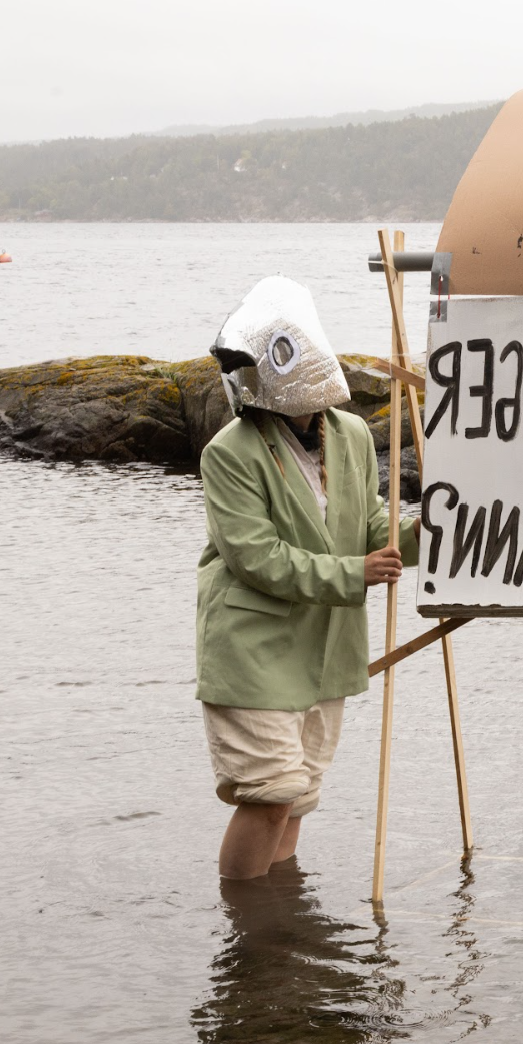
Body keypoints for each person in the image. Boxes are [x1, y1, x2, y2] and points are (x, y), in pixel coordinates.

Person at [196, 276, 419, 880]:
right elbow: (255, 557)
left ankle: (278, 915)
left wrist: (430, 532)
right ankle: (242, 922)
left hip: (323, 646)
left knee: (297, 798)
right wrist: (356, 573)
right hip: (254, 648)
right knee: (270, 794)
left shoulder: (351, 435)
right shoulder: (229, 452)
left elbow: (371, 526)